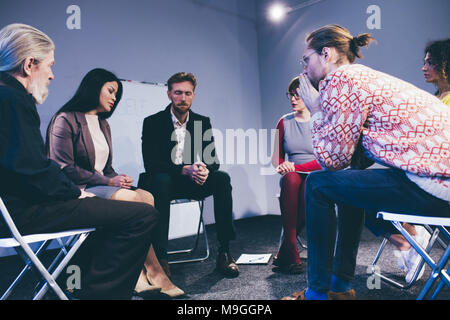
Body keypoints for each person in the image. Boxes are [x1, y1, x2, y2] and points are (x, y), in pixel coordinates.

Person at [282, 24, 450, 300]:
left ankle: (317, 294)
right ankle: (339, 288)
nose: (304, 68)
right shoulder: (360, 76)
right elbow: (350, 160)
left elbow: (331, 160)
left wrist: (315, 111)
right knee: (342, 184)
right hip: (436, 182)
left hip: (434, 185)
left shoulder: (342, 80)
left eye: (306, 59)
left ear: (326, 54)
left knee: (317, 184)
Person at [0, 23, 160, 300]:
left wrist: (109, 180)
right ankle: (98, 294)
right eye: (49, 66)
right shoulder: (14, 100)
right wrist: (77, 193)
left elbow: (26, 166)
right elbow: (37, 168)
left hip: (19, 204)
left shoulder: (6, 96)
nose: (51, 75)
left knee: (135, 200)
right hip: (22, 210)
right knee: (142, 215)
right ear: (29, 65)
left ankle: (87, 284)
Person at [46, 68, 183, 297]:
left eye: (116, 95)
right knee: (134, 201)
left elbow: (106, 168)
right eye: (110, 91)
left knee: (147, 196)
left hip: (98, 186)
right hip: (75, 190)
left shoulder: (103, 124)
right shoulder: (65, 119)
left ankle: (141, 271)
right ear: (93, 88)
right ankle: (153, 269)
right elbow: (63, 168)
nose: (114, 98)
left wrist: (118, 178)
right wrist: (109, 181)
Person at [140, 72, 239, 278]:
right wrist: (183, 169)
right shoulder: (153, 122)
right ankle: (161, 256)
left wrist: (203, 169)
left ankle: (225, 251)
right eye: (178, 93)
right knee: (161, 180)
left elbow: (213, 160)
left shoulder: (201, 121)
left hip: (190, 181)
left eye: (187, 93)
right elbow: (152, 164)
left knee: (221, 178)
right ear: (169, 94)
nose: (183, 98)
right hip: (163, 182)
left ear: (193, 95)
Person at [271, 76, 321, 274]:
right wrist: (284, 167)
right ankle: (291, 246)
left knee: (305, 182)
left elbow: (324, 159)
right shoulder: (283, 121)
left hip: (316, 174)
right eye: (290, 95)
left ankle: (287, 248)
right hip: (293, 176)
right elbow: (276, 158)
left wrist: (295, 168)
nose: (293, 99)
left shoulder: (321, 120)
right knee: (291, 179)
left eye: (298, 95)